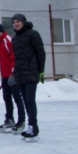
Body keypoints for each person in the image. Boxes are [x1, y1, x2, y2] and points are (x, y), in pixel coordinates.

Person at [10, 13, 46, 142]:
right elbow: (16, 57)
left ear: (23, 22)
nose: (16, 24)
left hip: (31, 72)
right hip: (20, 74)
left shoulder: (32, 34)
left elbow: (40, 53)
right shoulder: (14, 38)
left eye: (18, 21)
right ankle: (30, 126)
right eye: (13, 22)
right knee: (25, 100)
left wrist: (40, 71)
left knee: (30, 100)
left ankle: (33, 127)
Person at [0, 23, 26, 133]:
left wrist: (12, 72)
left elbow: (14, 57)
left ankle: (21, 121)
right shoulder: (0, 43)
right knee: (7, 98)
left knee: (17, 98)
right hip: (5, 75)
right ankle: (9, 119)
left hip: (13, 75)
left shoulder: (8, 40)